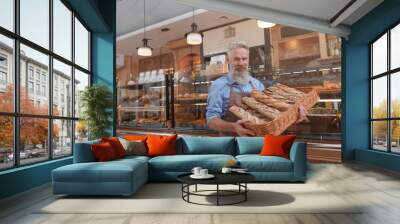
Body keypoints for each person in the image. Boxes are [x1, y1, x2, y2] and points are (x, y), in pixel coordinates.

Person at [206, 41, 307, 136]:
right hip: (232, 143)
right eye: (236, 59)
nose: (241, 63)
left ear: (248, 59)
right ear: (228, 60)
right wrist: (233, 127)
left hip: (259, 141)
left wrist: (294, 111)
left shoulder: (257, 84)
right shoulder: (218, 85)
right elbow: (211, 120)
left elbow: (271, 112)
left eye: (244, 59)